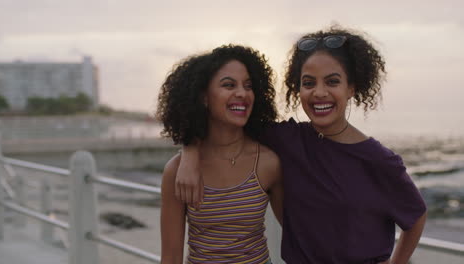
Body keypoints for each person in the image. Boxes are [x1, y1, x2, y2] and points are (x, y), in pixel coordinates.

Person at [175, 26, 427, 264]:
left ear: (351, 87)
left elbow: (416, 216)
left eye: (332, 81)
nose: (319, 92)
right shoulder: (288, 140)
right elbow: (226, 120)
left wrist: (397, 262)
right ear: (298, 90)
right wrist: (189, 151)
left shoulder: (378, 160)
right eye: (308, 83)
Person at [157, 45, 283, 264]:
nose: (242, 93)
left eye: (248, 86)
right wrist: (189, 149)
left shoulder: (268, 163)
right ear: (204, 97)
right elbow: (170, 257)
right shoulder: (177, 171)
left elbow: (299, 233)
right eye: (228, 85)